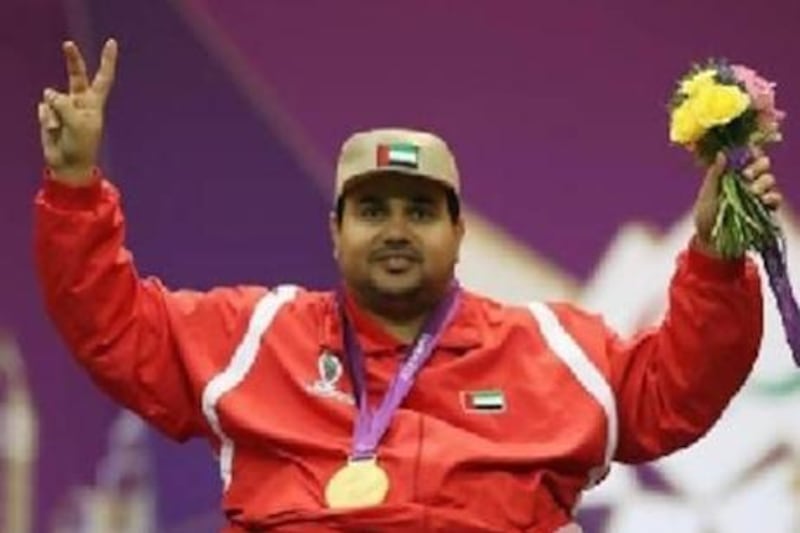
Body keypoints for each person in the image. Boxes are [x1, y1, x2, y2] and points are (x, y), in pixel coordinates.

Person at [33, 39, 781, 533]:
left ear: (457, 233)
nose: (396, 229)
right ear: (335, 230)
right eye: (372, 210)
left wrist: (716, 258)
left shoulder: (550, 349)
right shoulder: (256, 338)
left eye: (421, 210)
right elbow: (111, 325)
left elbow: (676, 391)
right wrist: (74, 187)